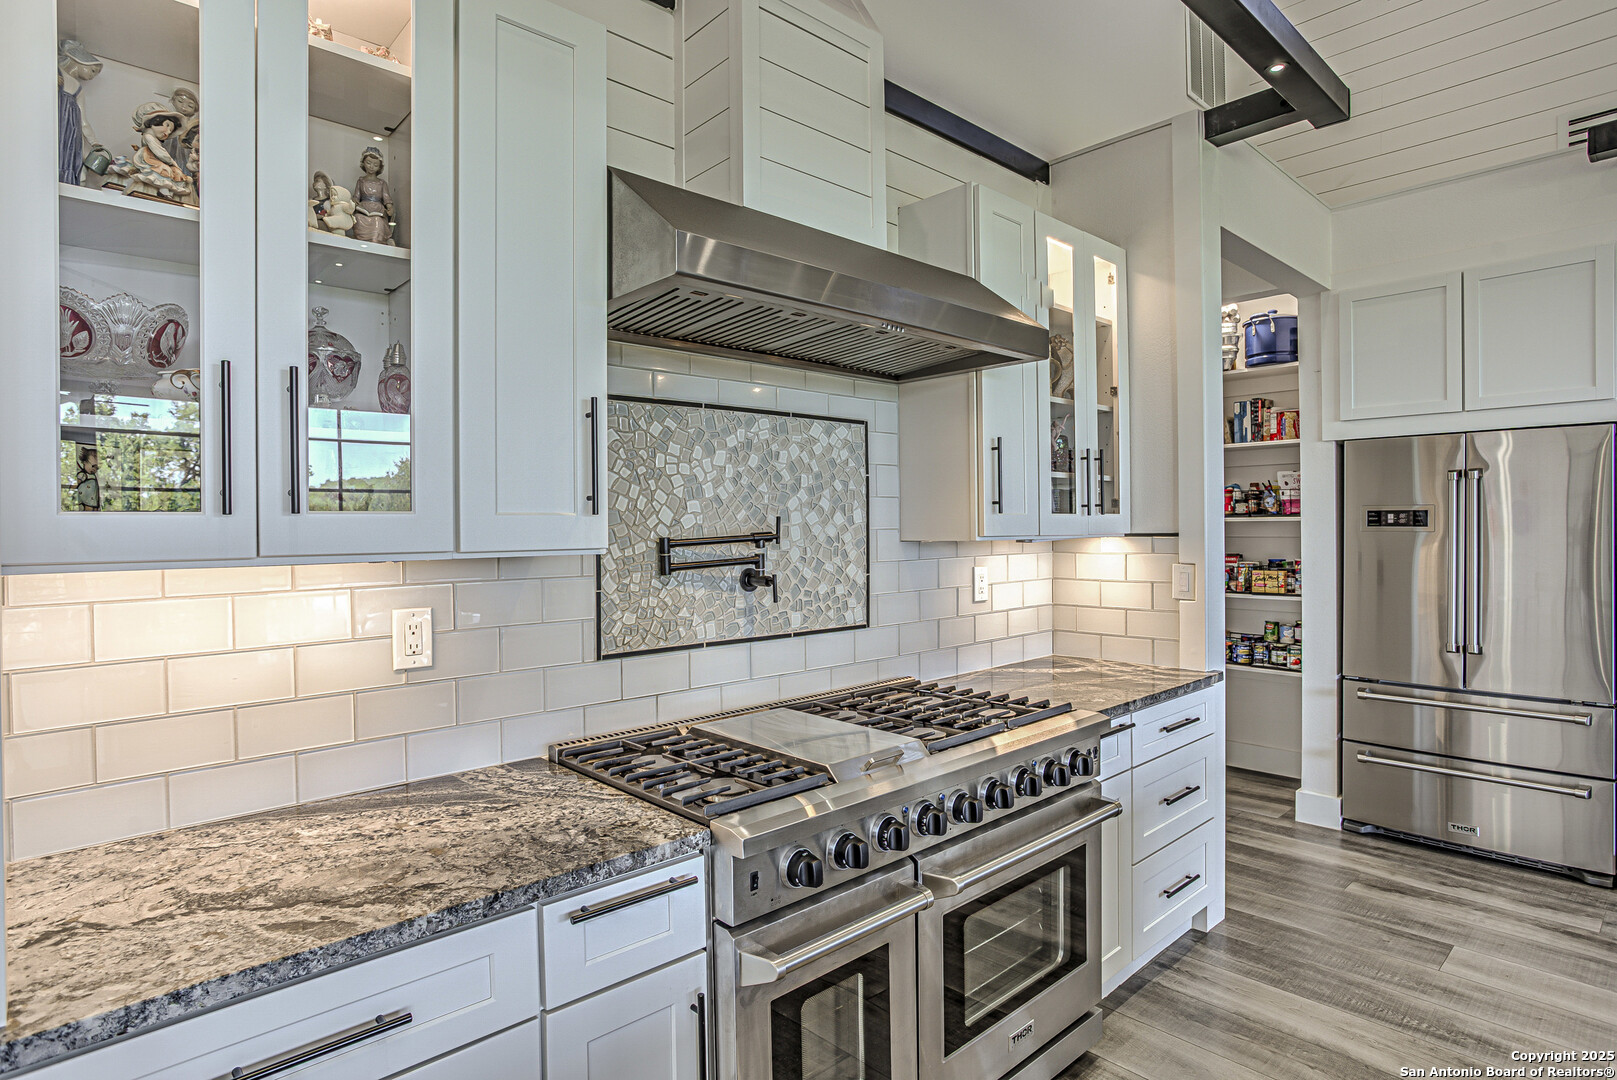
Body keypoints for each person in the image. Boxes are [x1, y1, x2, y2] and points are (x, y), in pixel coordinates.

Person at [351, 147, 396, 245]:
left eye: (375, 165)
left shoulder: (382, 183)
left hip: (377, 210)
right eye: (368, 163)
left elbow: (387, 198)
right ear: (363, 163)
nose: (371, 167)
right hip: (363, 209)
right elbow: (356, 196)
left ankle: (376, 241)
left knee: (377, 221)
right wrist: (354, 201)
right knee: (358, 218)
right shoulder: (361, 181)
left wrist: (390, 207)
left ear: (379, 167)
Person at [72, 445, 101, 511]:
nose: (94, 469)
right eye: (93, 466)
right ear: (84, 462)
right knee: (89, 508)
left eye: (96, 468)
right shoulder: (83, 474)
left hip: (94, 497)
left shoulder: (94, 476)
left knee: (95, 508)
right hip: (87, 497)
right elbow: (77, 483)